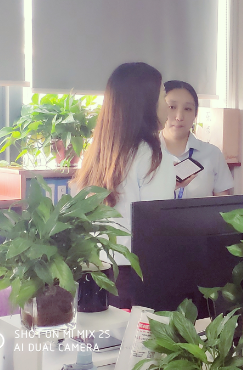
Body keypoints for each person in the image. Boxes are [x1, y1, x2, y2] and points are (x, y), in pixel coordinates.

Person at [71, 62, 175, 307]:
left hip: (94, 271)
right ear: (146, 102)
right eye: (163, 96)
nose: (168, 106)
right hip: (134, 275)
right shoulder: (152, 155)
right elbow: (156, 229)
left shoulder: (99, 153)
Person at [160, 80, 234, 198]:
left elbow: (223, 204)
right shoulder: (145, 153)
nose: (179, 117)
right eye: (172, 107)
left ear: (195, 114)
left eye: (188, 109)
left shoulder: (212, 154)